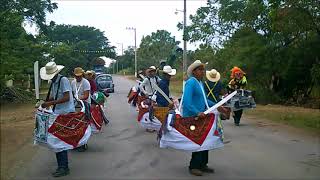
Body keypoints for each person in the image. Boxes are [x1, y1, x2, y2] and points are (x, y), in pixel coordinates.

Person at [40, 61, 75, 177]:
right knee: (58, 140)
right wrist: (44, 102)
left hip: (65, 113)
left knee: (60, 141)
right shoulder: (54, 82)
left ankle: (63, 167)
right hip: (57, 113)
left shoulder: (63, 80)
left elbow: (66, 97)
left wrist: (50, 102)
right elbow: (55, 96)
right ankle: (62, 165)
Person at [182, 60, 215, 176]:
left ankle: (203, 164)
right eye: (200, 70)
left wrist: (218, 105)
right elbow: (187, 102)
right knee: (198, 141)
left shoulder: (200, 83)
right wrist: (197, 112)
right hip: (193, 117)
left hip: (201, 116)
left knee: (206, 140)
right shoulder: (191, 82)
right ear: (194, 71)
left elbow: (205, 100)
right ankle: (194, 166)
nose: (203, 72)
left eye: (203, 70)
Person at [71, 67, 91, 151]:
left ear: (82, 75)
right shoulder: (72, 83)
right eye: (76, 76)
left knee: (83, 124)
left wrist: (78, 98)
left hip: (84, 105)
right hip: (75, 105)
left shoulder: (86, 82)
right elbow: (72, 94)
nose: (78, 77)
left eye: (79, 76)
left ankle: (83, 143)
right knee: (75, 125)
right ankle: (76, 143)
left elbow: (86, 96)